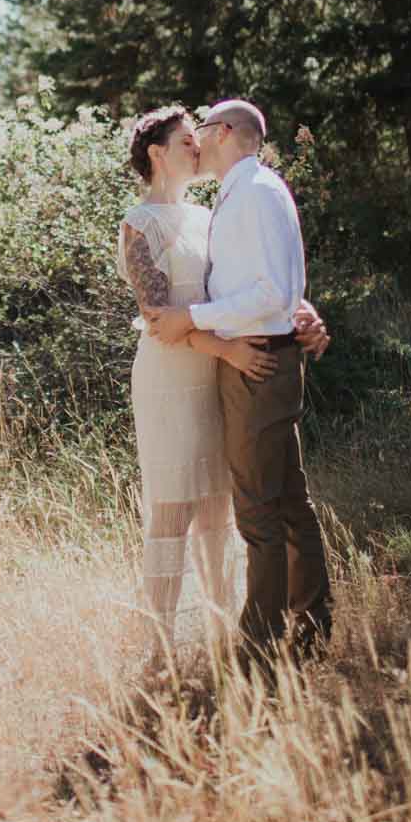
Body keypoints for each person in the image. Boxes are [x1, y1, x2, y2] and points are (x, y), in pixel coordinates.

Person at [118, 104, 327, 657]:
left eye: (199, 136)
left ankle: (220, 629)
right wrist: (229, 348)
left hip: (218, 372)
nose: (195, 146)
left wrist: (299, 311)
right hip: (173, 374)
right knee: (173, 507)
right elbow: (162, 319)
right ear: (158, 154)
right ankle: (159, 645)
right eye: (186, 140)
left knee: (219, 508)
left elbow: (249, 278)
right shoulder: (138, 223)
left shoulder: (212, 214)